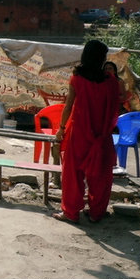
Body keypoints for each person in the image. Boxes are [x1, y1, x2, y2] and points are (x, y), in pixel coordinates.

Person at [53, 40, 120, 223]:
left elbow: (68, 107)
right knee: (100, 176)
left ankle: (71, 212)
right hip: (102, 135)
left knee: (73, 174)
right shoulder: (111, 82)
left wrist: (61, 129)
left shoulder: (77, 78)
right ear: (101, 59)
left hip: (80, 133)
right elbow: (115, 110)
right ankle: (96, 213)